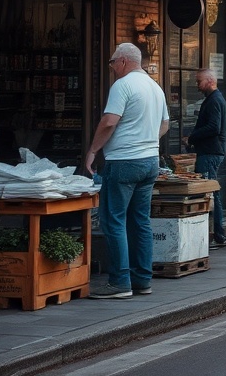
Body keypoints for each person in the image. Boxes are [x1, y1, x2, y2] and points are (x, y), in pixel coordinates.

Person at [85, 42, 169, 299]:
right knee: (140, 220)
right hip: (149, 160)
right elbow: (165, 123)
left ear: (122, 61)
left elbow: (109, 121)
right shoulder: (155, 87)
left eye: (112, 63)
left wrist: (92, 151)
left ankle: (120, 282)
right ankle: (142, 280)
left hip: (123, 161)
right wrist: (146, 140)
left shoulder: (123, 85)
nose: (111, 68)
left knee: (114, 220)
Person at [184, 68, 226, 248]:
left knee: (208, 193)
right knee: (210, 192)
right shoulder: (214, 99)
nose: (197, 86)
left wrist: (192, 137)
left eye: (199, 82)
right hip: (211, 151)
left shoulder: (214, 100)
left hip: (210, 152)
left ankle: (218, 233)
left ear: (210, 81)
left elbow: (213, 127)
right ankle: (217, 233)